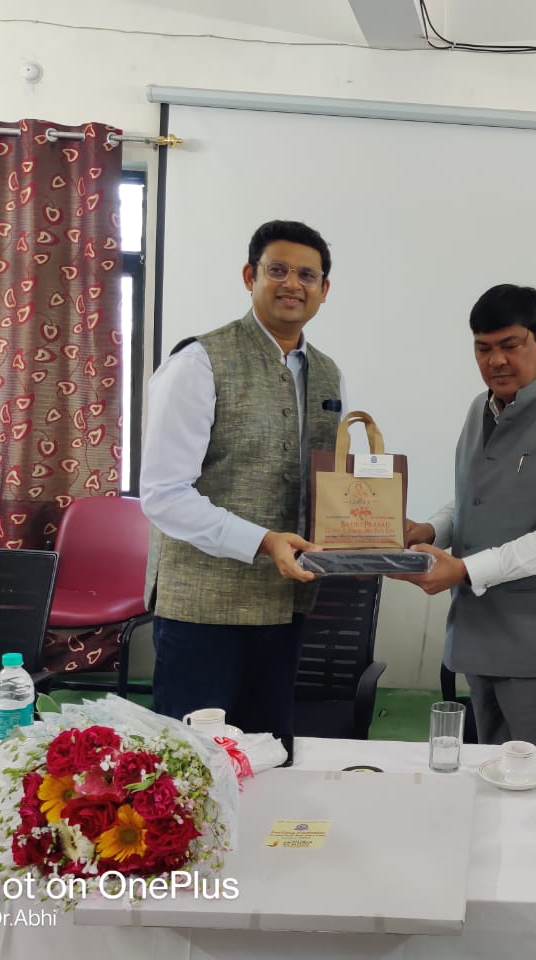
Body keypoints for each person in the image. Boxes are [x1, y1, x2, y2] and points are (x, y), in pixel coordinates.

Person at [140, 220, 344, 756]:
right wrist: (263, 541)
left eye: (307, 275)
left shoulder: (328, 374)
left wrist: (371, 530)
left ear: (324, 289)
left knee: (269, 757)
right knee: (194, 768)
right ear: (250, 276)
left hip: (285, 605)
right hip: (203, 609)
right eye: (277, 270)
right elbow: (164, 493)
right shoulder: (198, 362)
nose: (292, 284)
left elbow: (327, 484)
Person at [397, 284, 536, 748]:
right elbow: (474, 497)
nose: (495, 361)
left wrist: (464, 569)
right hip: (480, 632)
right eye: (483, 348)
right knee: (488, 772)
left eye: (510, 345)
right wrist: (431, 529)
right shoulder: (481, 408)